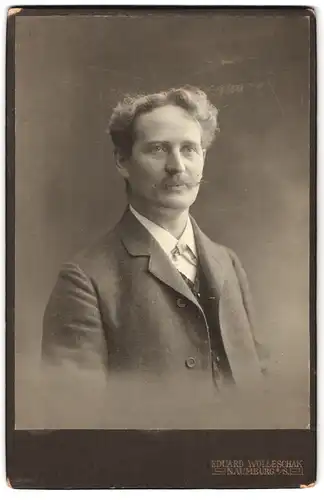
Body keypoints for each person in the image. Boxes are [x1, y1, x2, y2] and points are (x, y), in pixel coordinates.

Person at [42, 86, 268, 429]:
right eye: (158, 149)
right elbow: (74, 424)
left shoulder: (228, 264)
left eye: (190, 149)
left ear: (203, 158)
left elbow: (260, 392)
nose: (177, 167)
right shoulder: (85, 279)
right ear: (123, 161)